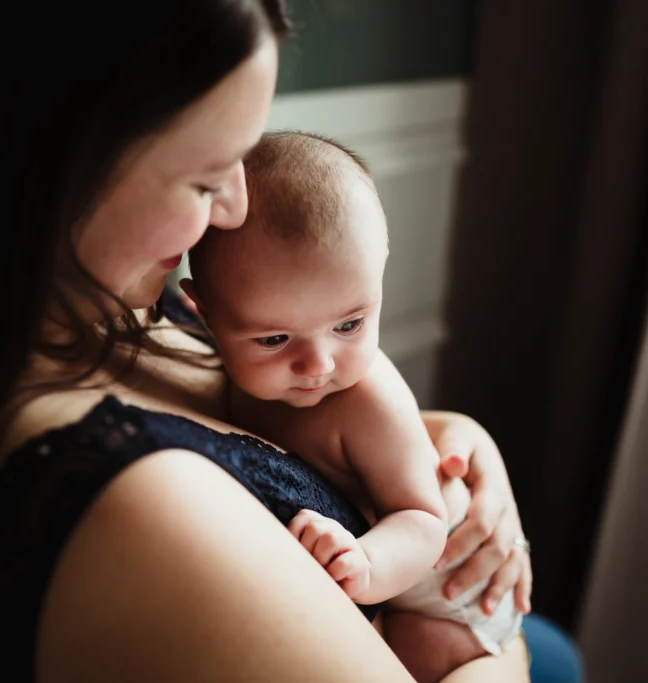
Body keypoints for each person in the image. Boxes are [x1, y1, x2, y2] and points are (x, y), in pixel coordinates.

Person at [0, 2, 579, 682]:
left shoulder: (125, 313)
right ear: (48, 169)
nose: (235, 208)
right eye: (205, 176)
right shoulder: (128, 506)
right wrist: (498, 645)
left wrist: (459, 445)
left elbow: (290, 421)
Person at [182, 131, 525, 678]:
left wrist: (365, 561)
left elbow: (423, 519)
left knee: (415, 658)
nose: (318, 365)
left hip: (450, 592)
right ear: (204, 315)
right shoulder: (213, 361)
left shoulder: (367, 399)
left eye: (349, 325)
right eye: (274, 339)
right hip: (401, 583)